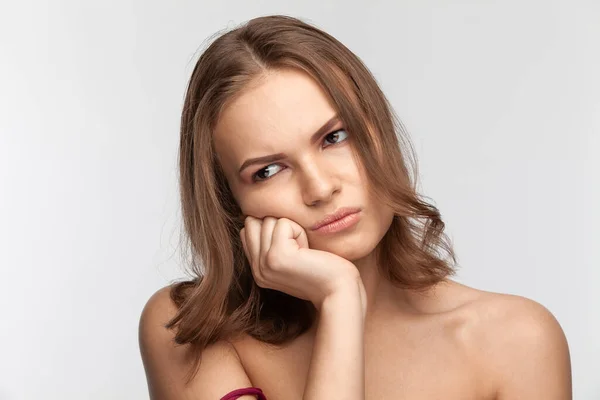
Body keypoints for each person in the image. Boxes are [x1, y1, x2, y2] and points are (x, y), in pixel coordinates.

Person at [138, 15, 572, 400]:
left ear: (378, 130)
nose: (321, 187)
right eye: (269, 170)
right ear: (230, 201)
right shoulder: (188, 329)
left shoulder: (517, 342)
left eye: (334, 137)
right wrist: (340, 299)